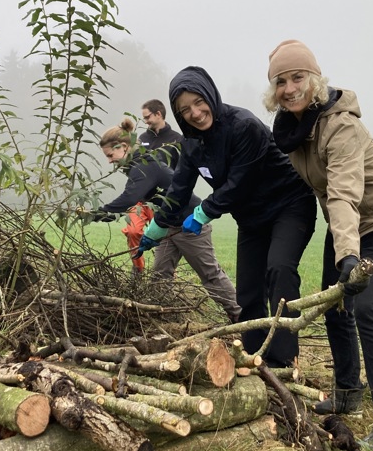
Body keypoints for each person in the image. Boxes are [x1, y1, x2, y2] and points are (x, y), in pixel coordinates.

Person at [263, 39, 373, 451]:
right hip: (346, 224)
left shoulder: (341, 125)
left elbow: (343, 193)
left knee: (367, 308)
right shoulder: (293, 130)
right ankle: (349, 390)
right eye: (281, 81)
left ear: (314, 80)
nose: (289, 87)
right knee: (335, 305)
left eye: (297, 77)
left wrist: (349, 255)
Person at [136, 66, 317, 368]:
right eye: (185, 110)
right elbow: (179, 188)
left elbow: (239, 182)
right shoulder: (191, 143)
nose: (195, 113)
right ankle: (253, 357)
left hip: (289, 204)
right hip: (251, 217)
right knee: (247, 290)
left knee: (279, 270)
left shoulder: (243, 125)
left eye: (198, 102)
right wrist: (156, 227)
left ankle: (283, 361)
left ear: (210, 95)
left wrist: (203, 212)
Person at [91, 118, 242, 321]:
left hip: (189, 225)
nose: (110, 160)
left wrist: (94, 214)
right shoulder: (140, 164)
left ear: (124, 147)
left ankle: (241, 317)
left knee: (210, 274)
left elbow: (128, 199)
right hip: (167, 225)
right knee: (160, 277)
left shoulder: (143, 167)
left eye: (110, 155)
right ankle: (165, 320)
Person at [138, 99, 184, 170]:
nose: (145, 122)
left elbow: (182, 169)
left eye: (147, 117)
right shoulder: (142, 138)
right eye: (144, 118)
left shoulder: (177, 139)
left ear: (158, 114)